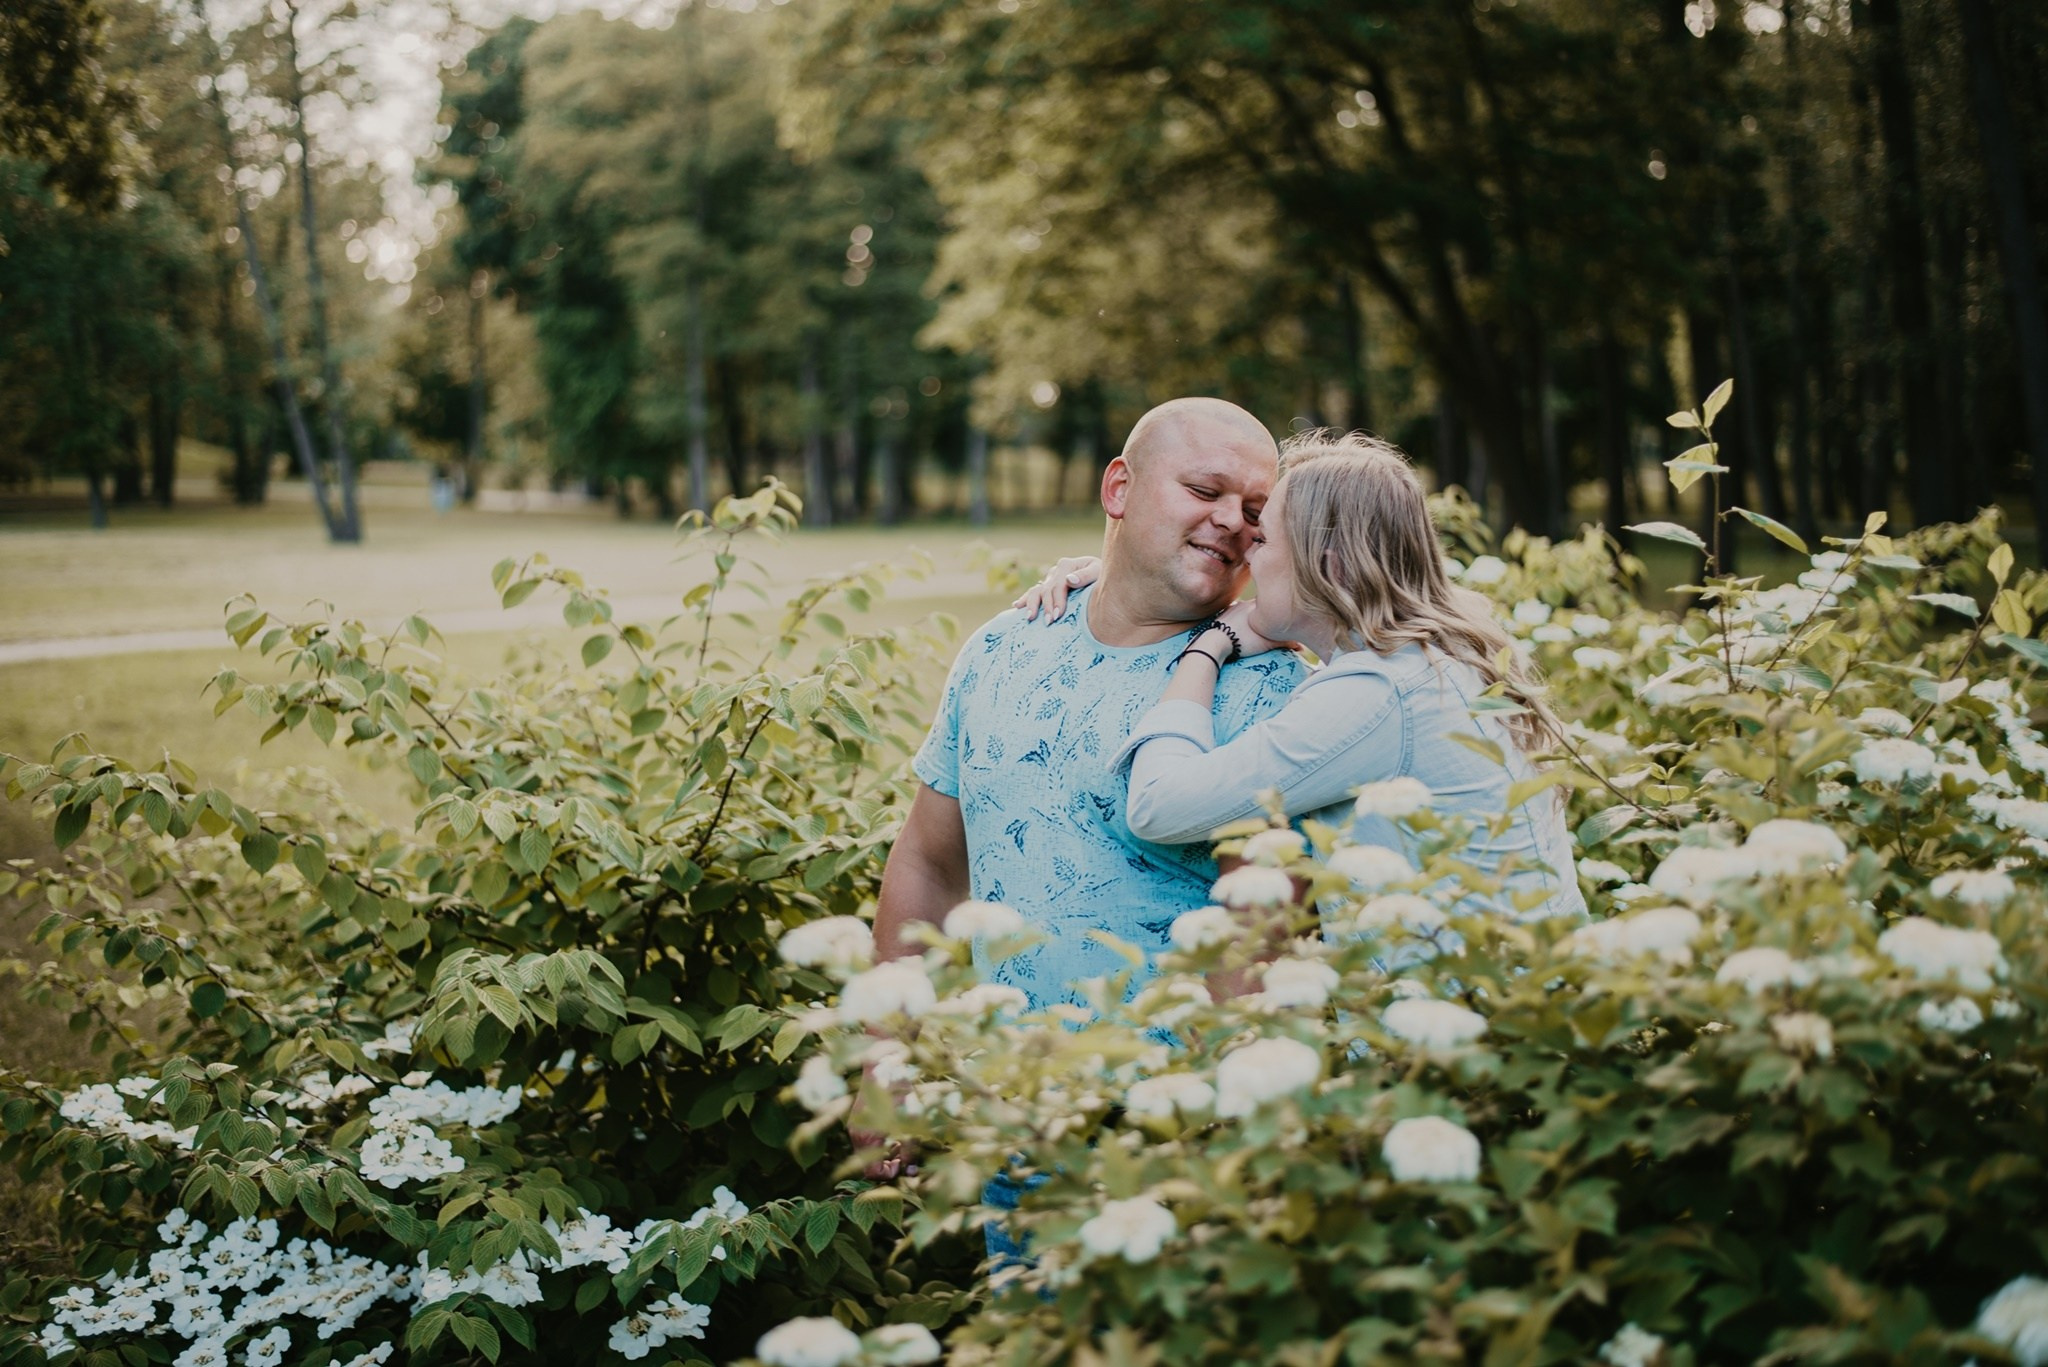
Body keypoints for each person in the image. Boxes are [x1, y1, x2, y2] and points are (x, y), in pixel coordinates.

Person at [858, 397, 1306, 1192]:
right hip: (1011, 1131)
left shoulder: (1269, 693)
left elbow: (1257, 934)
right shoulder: (1002, 648)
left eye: (1255, 510)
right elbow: (928, 863)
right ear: (1118, 489)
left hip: (1173, 1154)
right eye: (1205, 491)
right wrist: (890, 1053)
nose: (1233, 520)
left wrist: (1211, 1141)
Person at [1022, 429, 1585, 924]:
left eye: (1262, 538)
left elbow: (1158, 806)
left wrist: (1205, 650)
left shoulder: (1377, 693)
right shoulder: (1425, 661)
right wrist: (1122, 581)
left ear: (1330, 565)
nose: (1245, 555)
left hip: (1476, 1030)